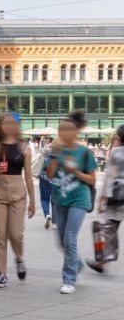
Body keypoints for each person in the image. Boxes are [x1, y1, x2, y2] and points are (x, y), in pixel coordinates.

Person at [47, 111, 96, 294]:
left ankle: (69, 279)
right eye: (62, 129)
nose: (64, 132)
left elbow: (91, 180)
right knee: (61, 241)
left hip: (79, 199)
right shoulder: (56, 150)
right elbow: (50, 175)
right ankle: (77, 264)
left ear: (76, 132)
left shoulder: (84, 152)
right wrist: (54, 154)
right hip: (59, 198)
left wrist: (74, 171)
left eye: (69, 129)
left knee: (70, 237)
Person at [0, 114, 36, 288]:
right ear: (0, 126)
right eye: (5, 123)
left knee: (16, 233)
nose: (9, 126)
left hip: (18, 190)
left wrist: (33, 201)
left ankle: (20, 258)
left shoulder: (24, 147)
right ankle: (2, 273)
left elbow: (28, 177)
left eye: (13, 123)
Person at [88, 124, 124, 273]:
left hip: (116, 197)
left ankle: (103, 260)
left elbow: (110, 177)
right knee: (111, 229)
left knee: (106, 228)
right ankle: (103, 261)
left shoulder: (116, 153)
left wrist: (102, 199)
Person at [39, 146, 54, 229]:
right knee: (54, 201)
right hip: (55, 180)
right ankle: (55, 222)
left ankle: (47, 214)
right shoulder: (60, 152)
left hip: (44, 179)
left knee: (44, 199)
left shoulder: (46, 151)